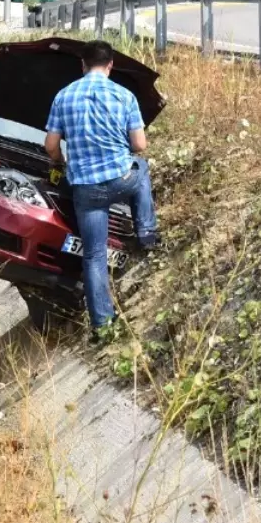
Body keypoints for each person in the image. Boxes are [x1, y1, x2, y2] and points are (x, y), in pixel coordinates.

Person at [43, 40, 158, 341]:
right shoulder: (124, 95)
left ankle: (102, 326)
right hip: (121, 180)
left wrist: (61, 162)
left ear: (82, 65)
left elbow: (51, 146)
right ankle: (147, 235)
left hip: (87, 191)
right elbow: (139, 145)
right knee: (141, 169)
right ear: (110, 66)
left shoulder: (63, 96)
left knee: (94, 256)